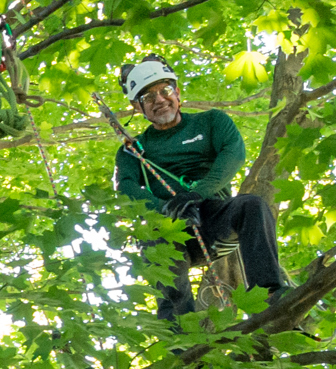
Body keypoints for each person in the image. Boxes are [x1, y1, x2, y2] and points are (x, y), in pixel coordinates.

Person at [113, 57, 287, 320]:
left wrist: (198, 193)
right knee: (158, 246)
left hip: (211, 218)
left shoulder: (211, 122)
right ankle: (180, 337)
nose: (159, 100)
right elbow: (125, 189)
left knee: (251, 205)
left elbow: (233, 154)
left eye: (165, 91)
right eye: (148, 97)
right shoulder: (134, 151)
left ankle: (270, 296)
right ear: (138, 107)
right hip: (167, 227)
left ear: (177, 93)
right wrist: (165, 207)